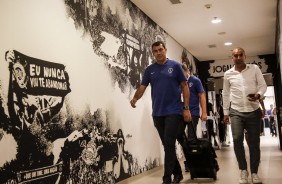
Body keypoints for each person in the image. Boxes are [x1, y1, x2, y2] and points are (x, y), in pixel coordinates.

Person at [130, 41, 192, 184]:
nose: (158, 53)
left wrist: (186, 108)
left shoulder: (175, 66)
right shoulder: (150, 69)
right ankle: (178, 174)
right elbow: (142, 86)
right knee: (167, 145)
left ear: (165, 50)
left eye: (160, 50)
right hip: (157, 113)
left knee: (169, 143)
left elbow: (185, 87)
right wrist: (135, 98)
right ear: (153, 53)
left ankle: (166, 179)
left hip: (174, 111)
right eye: (155, 51)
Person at [222, 47, 267, 184]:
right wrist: (225, 112)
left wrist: (259, 95)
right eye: (235, 55)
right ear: (232, 58)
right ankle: (243, 170)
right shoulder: (228, 74)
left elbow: (263, 85)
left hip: (253, 110)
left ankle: (254, 173)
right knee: (236, 140)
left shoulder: (254, 69)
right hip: (236, 111)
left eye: (240, 55)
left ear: (244, 56)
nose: (238, 57)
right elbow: (225, 93)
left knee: (254, 143)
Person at [178, 63, 207, 172]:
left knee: (191, 137)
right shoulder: (178, 81)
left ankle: (190, 163)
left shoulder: (195, 80)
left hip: (193, 112)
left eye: (182, 73)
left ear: (187, 71)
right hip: (180, 113)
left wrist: (204, 112)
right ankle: (189, 155)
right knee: (178, 134)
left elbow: (202, 96)